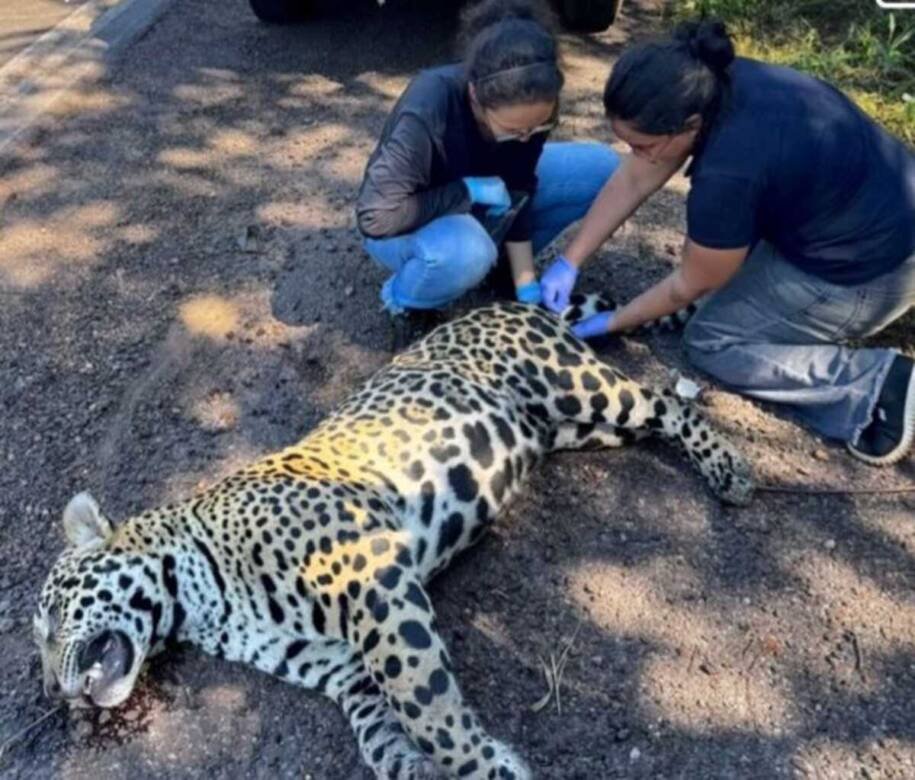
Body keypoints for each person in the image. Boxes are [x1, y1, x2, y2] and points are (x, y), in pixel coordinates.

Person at [540, 19, 915, 466]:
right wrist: (571, 259)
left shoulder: (728, 174)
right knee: (717, 275)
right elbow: (636, 177)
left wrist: (613, 322)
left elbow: (691, 283)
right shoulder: (710, 79)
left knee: (711, 340)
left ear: (689, 126)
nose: (635, 155)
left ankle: (875, 386)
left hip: (872, 274)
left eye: (642, 145)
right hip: (870, 219)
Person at [355, 0, 618, 322]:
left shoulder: (533, 102)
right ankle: (407, 297)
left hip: (478, 205)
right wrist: (466, 192)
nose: (526, 138)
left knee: (602, 169)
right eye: (513, 130)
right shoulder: (430, 104)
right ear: (475, 98)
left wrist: (525, 283)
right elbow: (375, 218)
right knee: (467, 252)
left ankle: (499, 271)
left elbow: (520, 189)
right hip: (407, 221)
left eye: (537, 127)